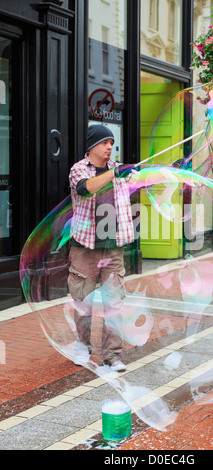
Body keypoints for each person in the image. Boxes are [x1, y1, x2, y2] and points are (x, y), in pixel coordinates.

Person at [68, 124, 137, 372]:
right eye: (104, 143)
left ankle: (112, 356)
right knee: (83, 303)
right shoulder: (78, 169)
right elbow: (85, 189)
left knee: (114, 304)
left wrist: (138, 173)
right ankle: (82, 347)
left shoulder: (117, 171)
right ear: (92, 146)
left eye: (111, 142)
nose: (110, 147)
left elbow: (136, 186)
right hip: (85, 247)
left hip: (113, 247)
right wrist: (115, 174)